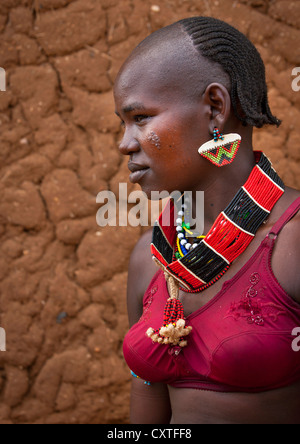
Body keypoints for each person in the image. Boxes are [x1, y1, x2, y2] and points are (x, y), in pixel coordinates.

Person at [113, 17, 300, 424]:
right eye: (123, 123)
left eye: (141, 118)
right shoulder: (150, 259)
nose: (124, 143)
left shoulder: (292, 243)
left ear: (215, 107)